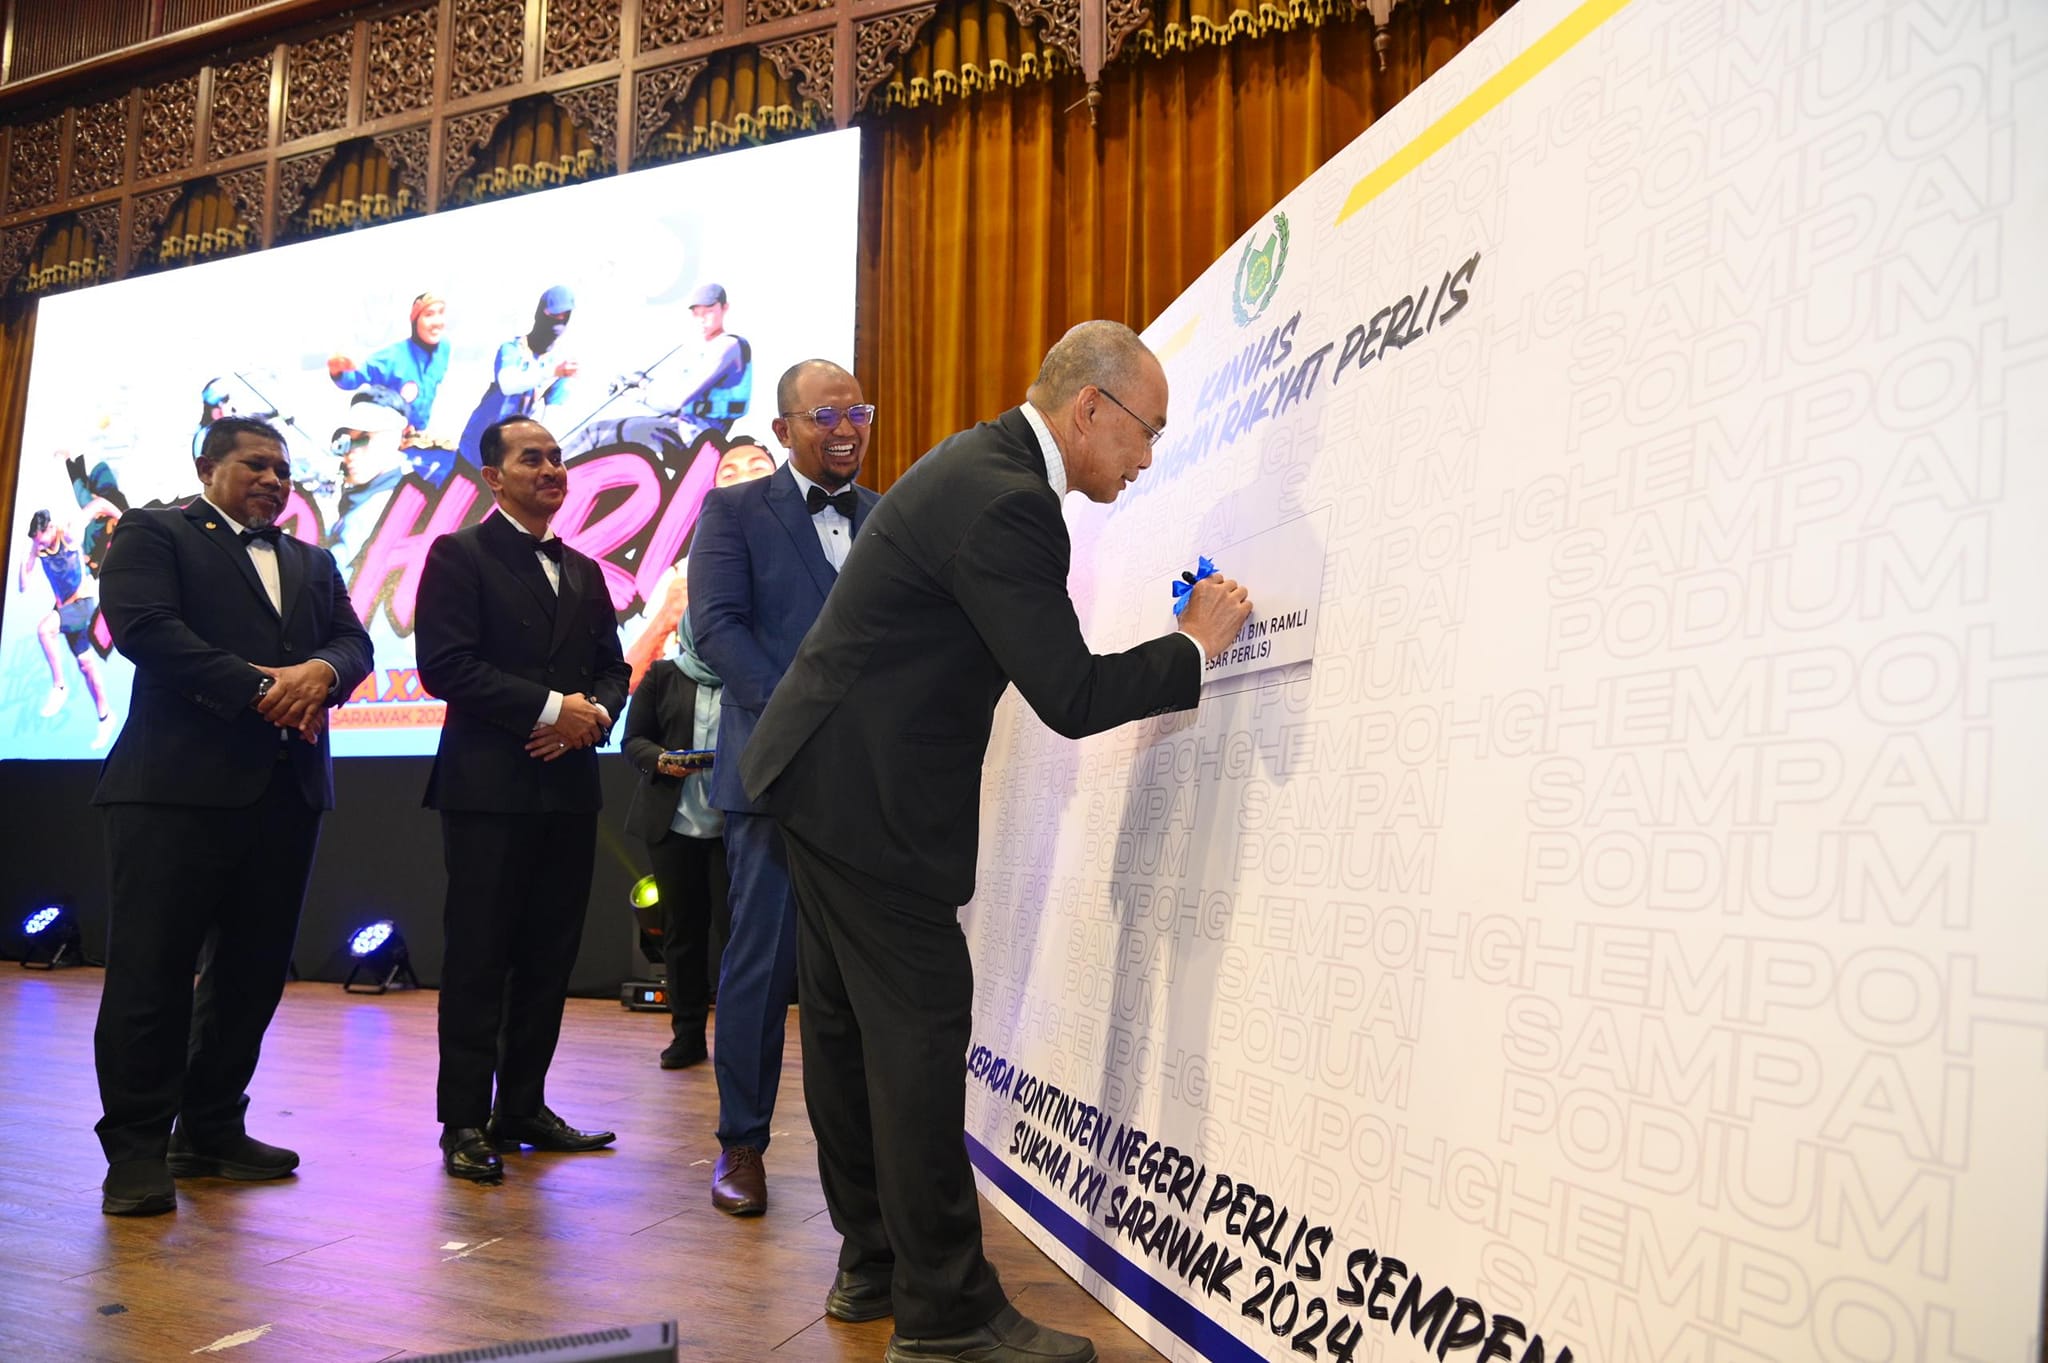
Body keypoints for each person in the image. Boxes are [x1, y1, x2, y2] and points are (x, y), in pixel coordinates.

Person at [739, 323, 1253, 1362]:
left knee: (847, 1038)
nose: (1147, 457)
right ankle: (946, 1316)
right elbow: (1069, 693)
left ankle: (873, 1265)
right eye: (1146, 431)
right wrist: (1193, 646)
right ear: (1090, 409)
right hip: (866, 801)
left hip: (823, 781)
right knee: (916, 1043)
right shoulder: (1011, 500)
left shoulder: (981, 464)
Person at [90, 416, 374, 1218]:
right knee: (151, 975)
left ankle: (211, 1127)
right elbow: (146, 630)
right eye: (257, 464)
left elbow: (355, 644)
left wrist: (322, 671)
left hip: (287, 793)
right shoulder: (154, 531)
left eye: (284, 469)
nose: (275, 480)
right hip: (172, 792)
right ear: (206, 466)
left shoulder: (313, 561)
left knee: (251, 977)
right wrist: (263, 689)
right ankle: (137, 1151)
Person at [415, 415, 631, 1184]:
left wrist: (590, 716)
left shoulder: (585, 570)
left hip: (568, 788)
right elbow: (444, 665)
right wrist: (549, 709)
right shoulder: (458, 553)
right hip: (488, 789)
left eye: (557, 458)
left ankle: (523, 1107)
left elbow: (614, 669)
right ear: (493, 478)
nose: (550, 469)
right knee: (479, 956)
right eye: (531, 457)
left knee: (548, 957)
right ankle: (464, 1120)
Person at [686, 358, 879, 1216]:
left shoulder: (886, 515)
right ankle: (741, 1143)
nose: (844, 429)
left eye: (858, 413)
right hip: (773, 775)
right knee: (761, 967)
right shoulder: (733, 510)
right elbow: (719, 628)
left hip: (870, 783)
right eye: (825, 414)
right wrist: (805, 718)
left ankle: (875, 1150)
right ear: (783, 428)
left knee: (871, 971)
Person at [622, 606, 731, 1070]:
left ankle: (737, 1039)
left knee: (734, 934)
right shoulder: (662, 676)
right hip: (674, 825)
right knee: (682, 933)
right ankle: (687, 1034)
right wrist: (662, 760)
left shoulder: (745, 677)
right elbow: (633, 741)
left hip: (732, 827)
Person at [564, 283, 751, 466]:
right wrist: (638, 387)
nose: (702, 319)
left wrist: (641, 390)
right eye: (697, 313)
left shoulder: (728, 346)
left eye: (708, 312)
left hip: (692, 439)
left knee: (595, 434)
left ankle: (552, 474)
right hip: (682, 431)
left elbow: (675, 401)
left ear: (724, 308)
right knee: (603, 446)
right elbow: (676, 401)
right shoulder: (705, 348)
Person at [17, 504, 117, 747]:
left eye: (42, 540)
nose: (40, 545)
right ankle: (105, 717)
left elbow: (98, 505)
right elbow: (23, 585)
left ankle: (59, 687)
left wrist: (123, 517)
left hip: (82, 605)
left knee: (45, 629)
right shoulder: (37, 547)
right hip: (66, 612)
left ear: (51, 527)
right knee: (86, 666)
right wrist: (25, 560)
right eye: (37, 542)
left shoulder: (69, 533)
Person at [456, 285, 580, 469]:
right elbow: (508, 384)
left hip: (507, 459)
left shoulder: (561, 366)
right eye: (552, 316)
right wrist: (552, 372)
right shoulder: (511, 349)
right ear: (540, 313)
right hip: (474, 446)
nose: (556, 324)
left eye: (563, 317)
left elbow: (553, 417)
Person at [329, 291, 450, 435]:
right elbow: (355, 376)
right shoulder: (392, 357)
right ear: (415, 320)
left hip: (420, 434)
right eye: (429, 314)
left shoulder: (444, 349)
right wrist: (338, 370)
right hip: (389, 436)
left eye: (441, 312)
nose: (437, 322)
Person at [321, 390, 414, 575]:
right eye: (349, 440)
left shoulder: (384, 507)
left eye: (365, 439)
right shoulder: (356, 493)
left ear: (396, 438)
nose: (350, 453)